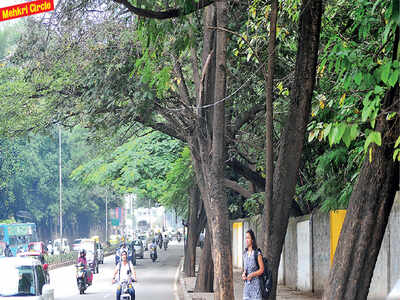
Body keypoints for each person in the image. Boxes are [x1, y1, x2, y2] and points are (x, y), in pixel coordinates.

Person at [242, 229, 264, 300]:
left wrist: (252, 274)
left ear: (252, 240)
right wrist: (243, 274)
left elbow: (261, 269)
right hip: (246, 288)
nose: (247, 240)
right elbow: (245, 269)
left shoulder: (257, 253)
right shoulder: (244, 253)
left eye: (248, 238)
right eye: (246, 238)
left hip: (256, 287)